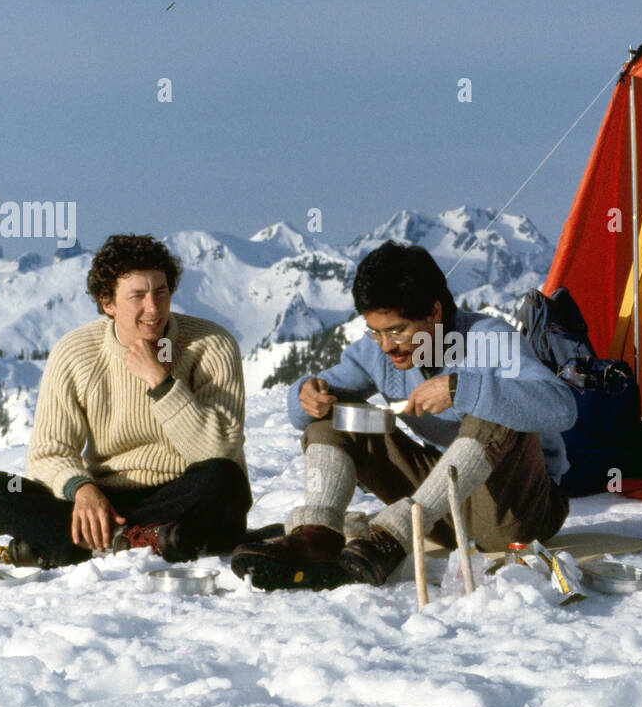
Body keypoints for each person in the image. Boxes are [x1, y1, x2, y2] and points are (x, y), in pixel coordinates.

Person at [232, 240, 576, 590]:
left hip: (515, 516)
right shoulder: (380, 351)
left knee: (490, 407)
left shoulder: (488, 340)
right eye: (376, 331)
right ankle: (319, 536)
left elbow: (562, 408)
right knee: (335, 414)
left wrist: (460, 389)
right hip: (441, 509)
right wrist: (306, 394)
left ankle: (395, 534)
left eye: (398, 331)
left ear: (435, 313)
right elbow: (314, 403)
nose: (386, 346)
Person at [0, 233, 250, 568]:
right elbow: (49, 452)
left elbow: (218, 449)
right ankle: (142, 538)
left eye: (161, 292)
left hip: (186, 493)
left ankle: (77, 544)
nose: (153, 307)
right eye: (138, 296)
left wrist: (160, 382)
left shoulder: (211, 345)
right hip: (107, 500)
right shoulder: (75, 353)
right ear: (108, 303)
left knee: (225, 478)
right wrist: (82, 490)